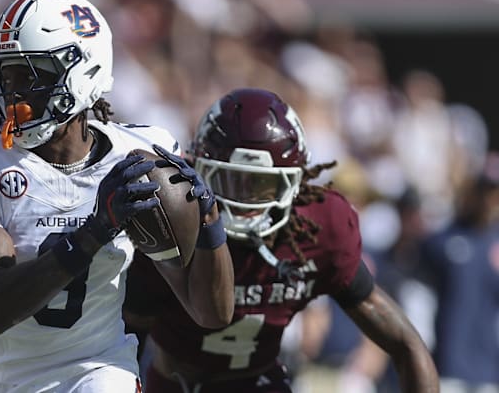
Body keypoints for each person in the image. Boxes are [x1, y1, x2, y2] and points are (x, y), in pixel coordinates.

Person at [0, 0, 234, 392]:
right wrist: (93, 232)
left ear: (82, 76)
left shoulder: (135, 160)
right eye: (6, 75)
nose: (12, 93)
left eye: (30, 75)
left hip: (99, 368)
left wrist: (210, 226)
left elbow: (211, 313)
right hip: (8, 380)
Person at [123, 88, 439, 393]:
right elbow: (125, 340)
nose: (245, 203)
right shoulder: (171, 222)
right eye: (232, 181)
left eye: (259, 185)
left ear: (293, 183)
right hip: (178, 384)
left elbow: (406, 344)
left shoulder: (318, 227)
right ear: (201, 171)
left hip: (261, 383)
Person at [419, 152, 499, 392]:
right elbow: (419, 299)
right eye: (486, 190)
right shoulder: (443, 241)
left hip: (489, 368)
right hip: (447, 364)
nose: (491, 199)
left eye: (495, 192)